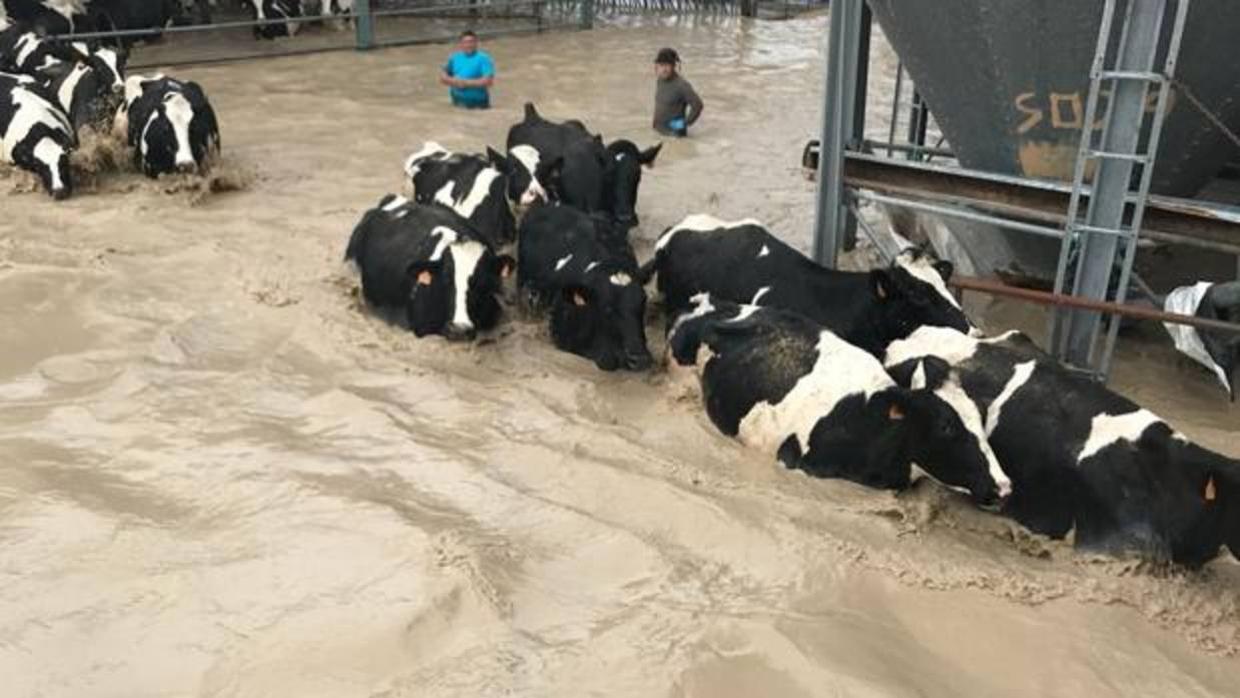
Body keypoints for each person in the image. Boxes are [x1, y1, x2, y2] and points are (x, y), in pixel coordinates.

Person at [652, 47, 703, 137]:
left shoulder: (681, 85)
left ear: (674, 66)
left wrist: (683, 124)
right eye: (661, 65)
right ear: (656, 66)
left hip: (674, 136)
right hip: (658, 131)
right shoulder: (660, 80)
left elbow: (697, 105)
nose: (664, 69)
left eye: (667, 65)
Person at [440, 30, 495, 109]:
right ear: (461, 44)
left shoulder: (484, 59)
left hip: (478, 103)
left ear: (476, 43)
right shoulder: (454, 58)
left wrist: (465, 83)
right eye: (465, 42)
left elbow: (488, 81)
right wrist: (454, 81)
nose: (468, 45)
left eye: (471, 42)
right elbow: (443, 77)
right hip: (457, 100)